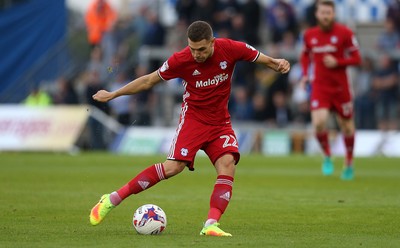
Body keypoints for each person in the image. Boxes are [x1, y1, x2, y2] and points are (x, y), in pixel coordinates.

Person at [89, 20, 290, 236]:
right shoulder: (180, 59)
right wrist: (114, 94)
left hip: (220, 122)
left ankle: (211, 224)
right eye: (193, 49)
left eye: (202, 49)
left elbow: (260, 58)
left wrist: (277, 63)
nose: (197, 54)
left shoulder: (230, 48)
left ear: (212, 42)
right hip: (193, 120)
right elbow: (148, 81)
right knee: (173, 168)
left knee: (227, 164)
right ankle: (111, 199)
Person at [299, 0, 361, 180]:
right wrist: (305, 75)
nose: (325, 16)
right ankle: (327, 155)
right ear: (317, 14)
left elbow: (357, 59)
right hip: (320, 86)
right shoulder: (309, 35)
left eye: (328, 13)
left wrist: (338, 62)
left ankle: (349, 162)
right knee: (319, 123)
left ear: (333, 14)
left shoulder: (345, 33)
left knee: (347, 127)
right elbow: (305, 55)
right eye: (322, 13)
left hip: (341, 88)